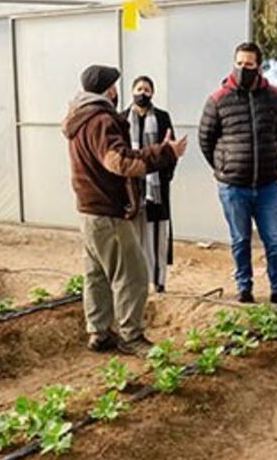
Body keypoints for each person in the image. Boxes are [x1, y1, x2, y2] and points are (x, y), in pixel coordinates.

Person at [62, 64, 188, 354]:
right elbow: (118, 161)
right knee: (133, 274)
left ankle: (99, 332)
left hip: (88, 209)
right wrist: (165, 152)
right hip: (107, 210)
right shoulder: (101, 120)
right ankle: (131, 336)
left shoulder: (78, 118)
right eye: (116, 85)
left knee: (96, 275)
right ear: (109, 89)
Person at [198, 42, 277, 305]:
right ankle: (245, 288)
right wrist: (224, 167)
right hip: (233, 186)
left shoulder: (275, 97)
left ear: (259, 67)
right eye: (239, 64)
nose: (244, 69)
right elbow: (205, 139)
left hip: (267, 185)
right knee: (240, 240)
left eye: (249, 65)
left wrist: (265, 158)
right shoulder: (218, 99)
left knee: (275, 240)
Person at [121, 75, 175, 293]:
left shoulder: (162, 118)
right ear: (132, 91)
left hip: (156, 188)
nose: (143, 93)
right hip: (131, 188)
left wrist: (164, 176)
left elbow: (170, 150)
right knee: (133, 236)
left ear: (152, 93)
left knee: (157, 236)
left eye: (147, 89)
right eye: (139, 88)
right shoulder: (122, 119)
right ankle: (135, 280)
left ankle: (159, 280)